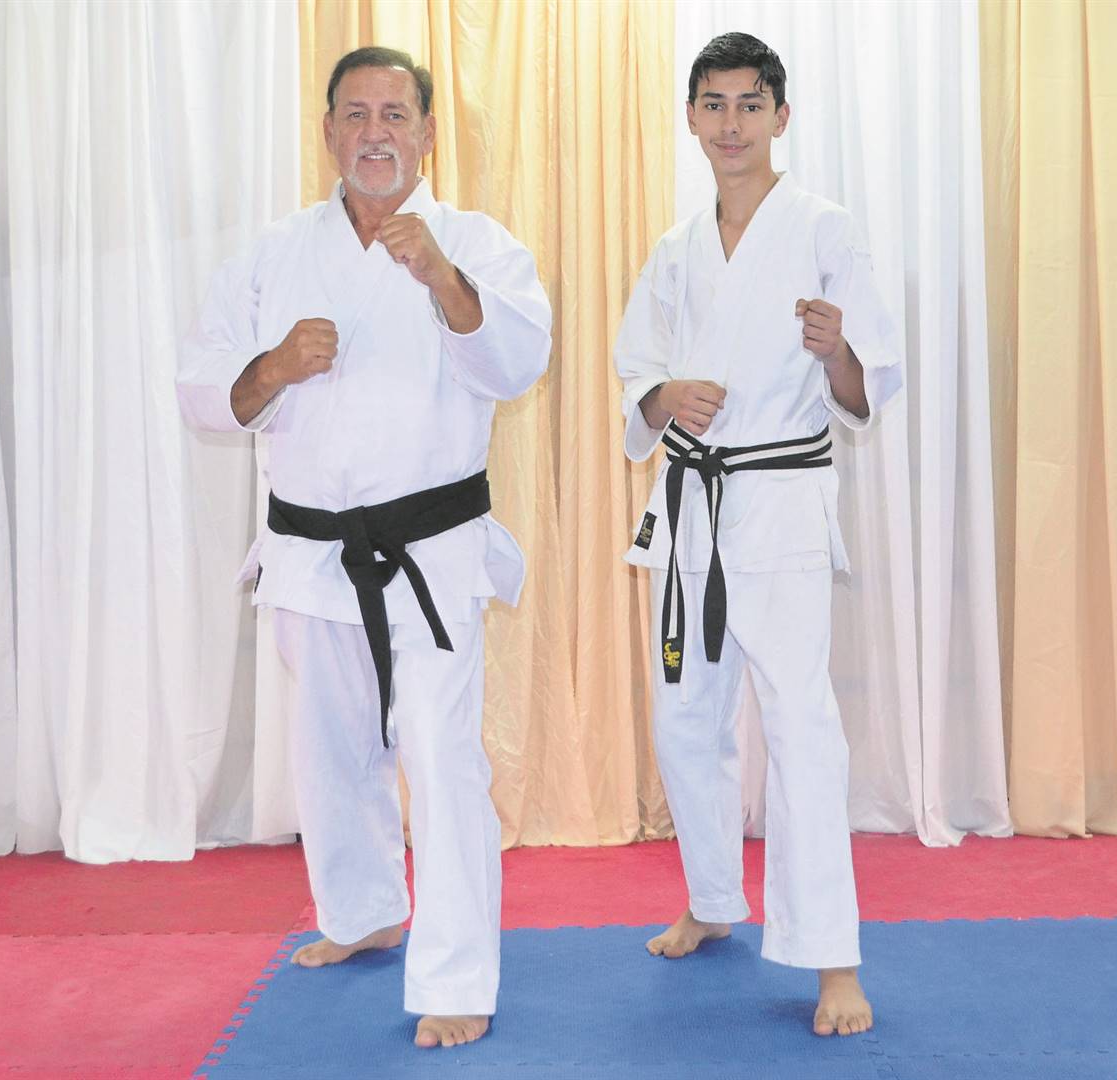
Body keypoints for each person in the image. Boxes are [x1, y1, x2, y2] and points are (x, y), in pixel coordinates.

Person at [176, 46, 551, 1049]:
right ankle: (365, 911)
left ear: (426, 133)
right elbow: (202, 390)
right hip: (309, 549)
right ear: (329, 132)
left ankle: (457, 975)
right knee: (330, 750)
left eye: (394, 114)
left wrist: (441, 279)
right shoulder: (272, 254)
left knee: (439, 756)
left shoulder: (475, 243)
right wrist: (272, 366)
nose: (375, 132)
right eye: (355, 113)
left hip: (431, 550)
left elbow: (517, 363)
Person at [615, 31, 902, 1038]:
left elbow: (866, 387)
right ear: (691, 118)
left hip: (778, 498)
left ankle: (833, 957)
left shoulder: (825, 230)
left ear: (780, 115)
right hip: (693, 500)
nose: (730, 123)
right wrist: (663, 396)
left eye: (749, 103)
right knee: (684, 715)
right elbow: (636, 371)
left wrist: (835, 353)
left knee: (799, 725)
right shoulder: (674, 249)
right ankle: (710, 898)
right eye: (714, 104)